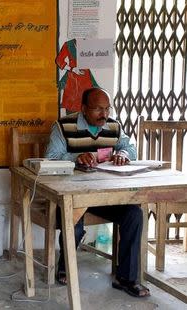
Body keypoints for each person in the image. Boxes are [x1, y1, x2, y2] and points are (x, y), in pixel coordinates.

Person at [45, 87, 150, 297]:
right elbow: (51, 156)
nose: (104, 114)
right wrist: (75, 158)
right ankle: (65, 264)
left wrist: (122, 153)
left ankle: (126, 278)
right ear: (84, 109)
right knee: (73, 219)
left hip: (104, 196)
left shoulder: (114, 126)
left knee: (134, 214)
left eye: (107, 108)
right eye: (98, 109)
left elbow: (131, 148)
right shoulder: (64, 126)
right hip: (72, 194)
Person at [56, 39, 99, 113]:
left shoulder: (88, 43)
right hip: (73, 79)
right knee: (71, 108)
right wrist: (72, 69)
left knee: (87, 106)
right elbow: (59, 60)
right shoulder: (69, 44)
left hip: (86, 79)